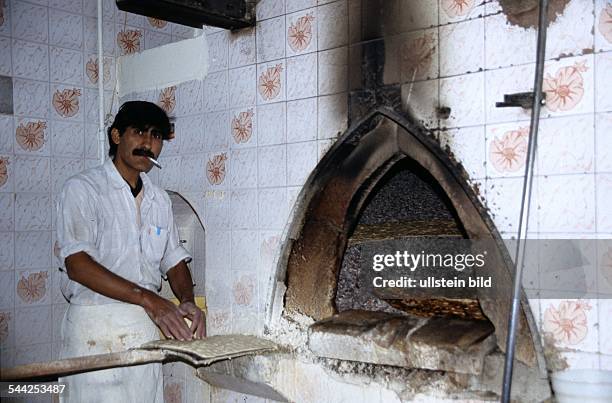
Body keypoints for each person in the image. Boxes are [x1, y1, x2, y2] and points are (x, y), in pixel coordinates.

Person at [55, 101, 205, 403]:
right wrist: (150, 299)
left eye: (156, 136)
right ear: (116, 136)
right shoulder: (83, 189)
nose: (148, 143)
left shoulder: (159, 201)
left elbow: (173, 260)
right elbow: (78, 265)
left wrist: (186, 300)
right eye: (138, 132)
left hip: (142, 330)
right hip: (94, 331)